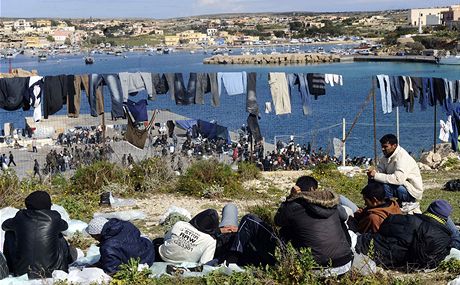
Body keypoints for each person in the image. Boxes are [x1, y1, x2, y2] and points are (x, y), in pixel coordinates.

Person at [274, 176, 353, 274]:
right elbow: (344, 216)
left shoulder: (293, 206)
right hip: (345, 263)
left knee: (285, 229)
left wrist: (290, 198)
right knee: (340, 222)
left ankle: (282, 262)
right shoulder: (330, 202)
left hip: (314, 268)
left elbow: (278, 221)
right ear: (314, 189)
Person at [355, 200, 453, 270]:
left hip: (367, 249)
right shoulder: (446, 239)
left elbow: (384, 228)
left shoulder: (409, 221)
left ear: (429, 210)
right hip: (406, 264)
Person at [2, 191, 76, 278]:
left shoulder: (20, 217)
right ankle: (68, 259)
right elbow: (65, 226)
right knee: (58, 234)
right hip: (51, 271)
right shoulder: (54, 217)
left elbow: (4, 226)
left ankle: (10, 267)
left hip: (22, 271)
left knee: (10, 232)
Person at [86, 217, 154, 275]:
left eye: (93, 236)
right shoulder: (125, 224)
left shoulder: (108, 247)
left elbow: (111, 269)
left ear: (98, 234)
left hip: (143, 261)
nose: (93, 238)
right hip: (148, 248)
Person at [367, 134, 423, 203]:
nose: (383, 149)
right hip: (400, 185)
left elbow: (398, 179)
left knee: (386, 186)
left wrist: (376, 175)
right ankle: (372, 202)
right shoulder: (387, 155)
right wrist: (374, 172)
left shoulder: (402, 157)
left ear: (394, 146)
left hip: (410, 191)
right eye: (382, 146)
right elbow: (381, 169)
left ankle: (388, 207)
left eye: (385, 147)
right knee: (372, 180)